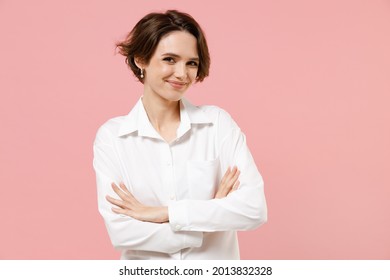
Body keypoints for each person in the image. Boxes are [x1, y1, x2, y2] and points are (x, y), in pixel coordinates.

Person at [93, 10, 267, 260]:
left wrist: (165, 213)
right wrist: (208, 217)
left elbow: (254, 209)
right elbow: (122, 233)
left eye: (191, 63)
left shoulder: (217, 125)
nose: (182, 74)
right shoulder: (113, 137)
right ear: (141, 59)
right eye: (170, 59)